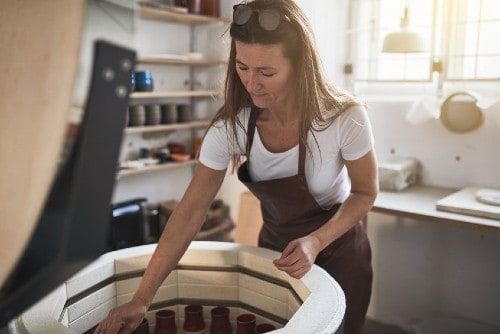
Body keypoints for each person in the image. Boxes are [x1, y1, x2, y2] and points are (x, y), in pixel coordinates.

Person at [95, 1, 378, 333]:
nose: (252, 83)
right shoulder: (232, 127)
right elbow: (188, 213)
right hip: (276, 255)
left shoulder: (343, 118)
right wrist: (141, 299)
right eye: (243, 67)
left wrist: (316, 240)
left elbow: (365, 192)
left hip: (340, 252)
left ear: (301, 65)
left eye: (267, 72)